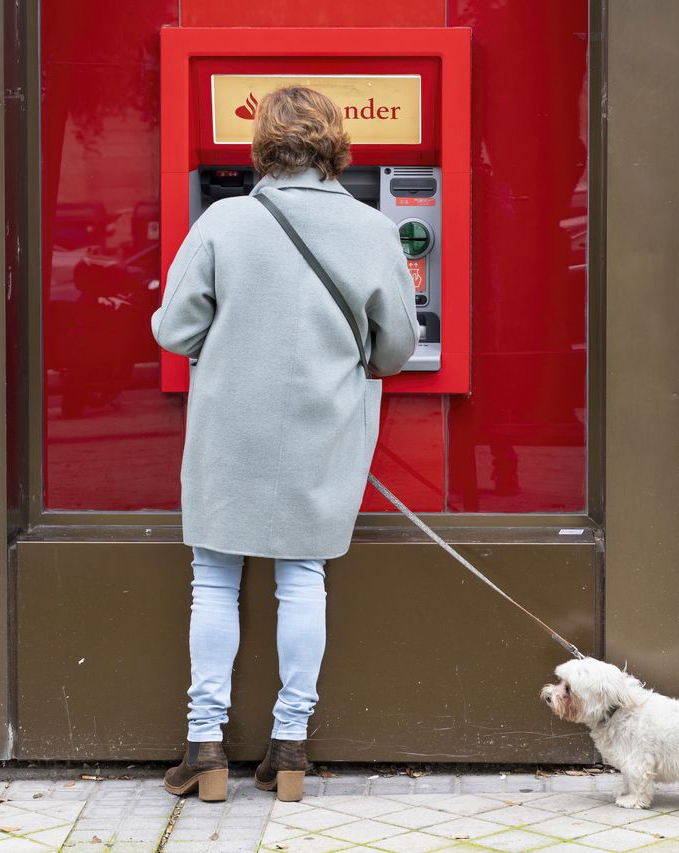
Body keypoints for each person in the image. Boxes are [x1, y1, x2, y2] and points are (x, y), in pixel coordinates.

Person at [151, 86, 419, 802]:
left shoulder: (224, 220)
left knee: (214, 578)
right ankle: (290, 746)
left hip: (228, 432)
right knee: (304, 577)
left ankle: (206, 747)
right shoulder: (373, 229)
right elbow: (395, 350)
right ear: (336, 144)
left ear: (262, 146)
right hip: (321, 430)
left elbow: (174, 332)